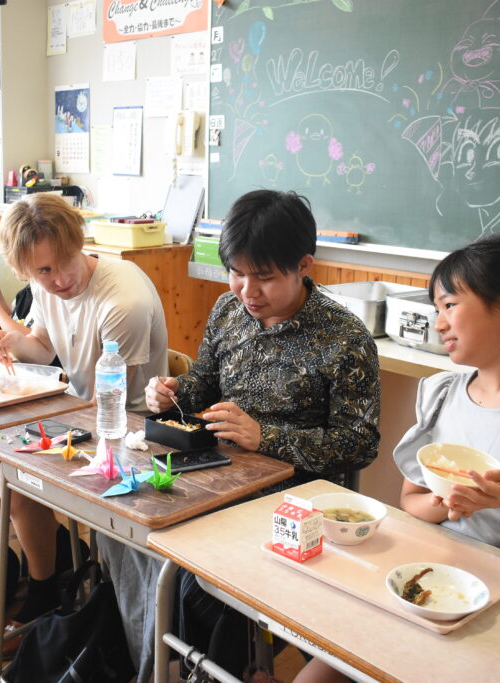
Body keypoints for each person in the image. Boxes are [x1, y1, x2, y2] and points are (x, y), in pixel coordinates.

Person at [295, 235, 500, 683]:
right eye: (437, 308)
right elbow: (411, 500)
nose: (439, 323)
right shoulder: (442, 394)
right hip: (434, 579)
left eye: (450, 305)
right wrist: (449, 502)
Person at [0, 192, 168, 644]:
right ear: (24, 269)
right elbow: (43, 348)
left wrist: (27, 445)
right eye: (43, 271)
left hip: (128, 430)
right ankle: (57, 556)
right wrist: (8, 340)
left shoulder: (121, 301)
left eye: (65, 261)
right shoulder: (47, 290)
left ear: (79, 241)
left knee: (12, 476)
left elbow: (117, 404)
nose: (60, 278)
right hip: (78, 412)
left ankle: (46, 584)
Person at [146, 189, 381, 488]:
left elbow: (359, 444)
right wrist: (175, 393)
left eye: (265, 278)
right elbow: (206, 381)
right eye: (237, 273)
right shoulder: (228, 309)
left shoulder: (346, 338)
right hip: (221, 473)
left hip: (298, 495)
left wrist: (263, 437)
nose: (247, 291)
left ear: (303, 265)